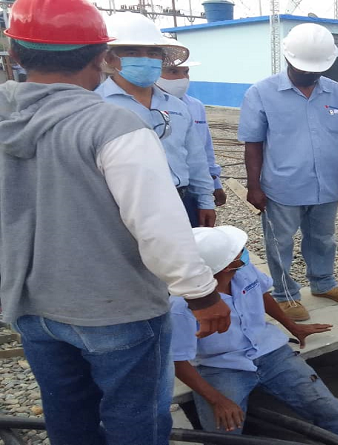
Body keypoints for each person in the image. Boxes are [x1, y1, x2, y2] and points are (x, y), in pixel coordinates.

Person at [0, 0, 232, 443]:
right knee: (135, 422)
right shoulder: (113, 125)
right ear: (101, 56)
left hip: (32, 308)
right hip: (116, 313)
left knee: (68, 418)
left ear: (14, 54)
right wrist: (203, 296)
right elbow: (158, 226)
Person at [170, 226, 338, 445]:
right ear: (227, 266)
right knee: (224, 436)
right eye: (239, 252)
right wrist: (217, 400)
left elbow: (262, 293)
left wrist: (292, 326)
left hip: (272, 353)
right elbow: (178, 361)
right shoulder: (180, 307)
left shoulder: (244, 271)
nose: (245, 252)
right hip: (220, 367)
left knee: (332, 413)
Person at [239, 23, 338, 321]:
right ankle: (285, 294)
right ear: (288, 58)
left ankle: (323, 283)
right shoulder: (261, 93)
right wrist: (253, 186)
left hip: (327, 184)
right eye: (304, 68)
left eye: (316, 69)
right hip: (282, 186)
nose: (310, 74)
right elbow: (253, 144)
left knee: (323, 238)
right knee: (280, 242)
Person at [96, 12, 217, 227]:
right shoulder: (97, 105)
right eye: (132, 52)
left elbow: (195, 159)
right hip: (125, 210)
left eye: (153, 53)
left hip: (182, 202)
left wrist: (205, 200)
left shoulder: (177, 107)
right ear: (110, 58)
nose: (146, 59)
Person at [157, 53, 227, 207]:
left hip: (192, 189)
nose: (182, 78)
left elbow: (205, 148)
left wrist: (215, 183)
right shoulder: (148, 106)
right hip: (159, 190)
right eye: (173, 71)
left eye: (186, 72)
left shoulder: (195, 106)